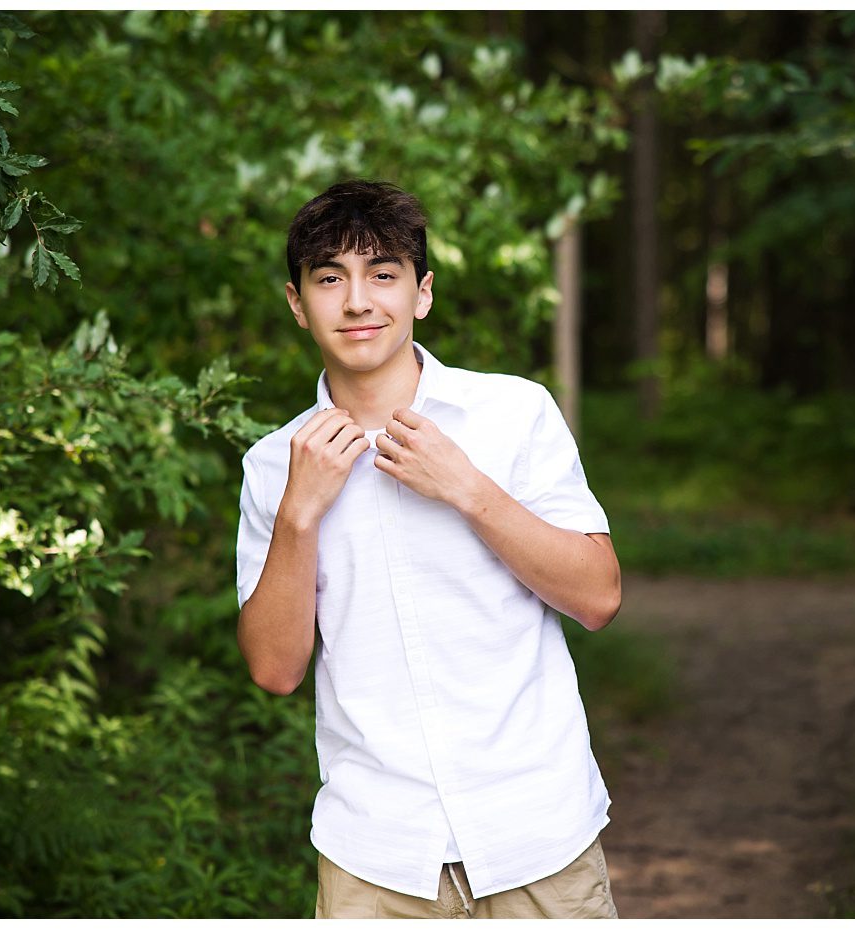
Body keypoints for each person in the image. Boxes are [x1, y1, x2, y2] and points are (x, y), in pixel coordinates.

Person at [235, 180, 623, 918]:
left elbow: (599, 597)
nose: (357, 301)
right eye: (330, 278)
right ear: (297, 302)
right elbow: (275, 670)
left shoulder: (513, 413)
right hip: (375, 856)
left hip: (538, 832)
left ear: (422, 293)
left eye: (383, 274)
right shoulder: (273, 464)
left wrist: (470, 489)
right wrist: (298, 515)